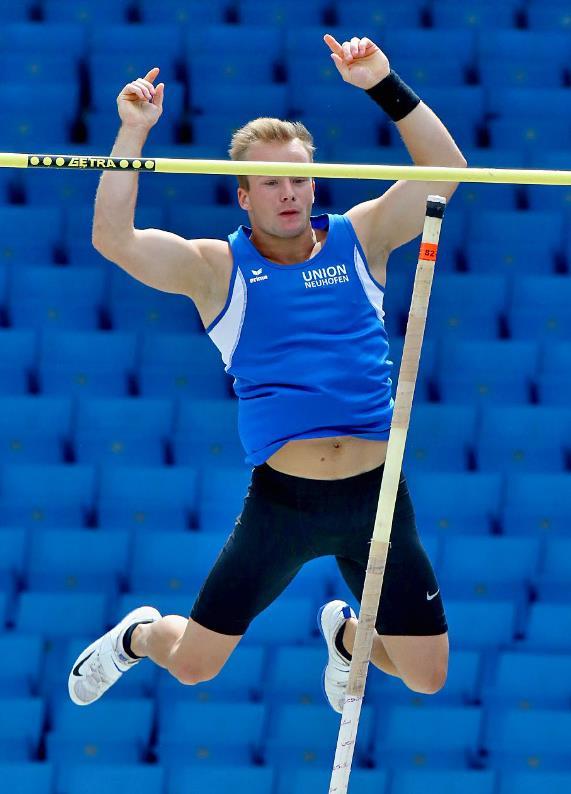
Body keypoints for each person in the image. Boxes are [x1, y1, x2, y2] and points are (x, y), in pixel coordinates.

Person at [69, 33, 467, 714]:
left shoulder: (362, 237)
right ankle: (138, 636)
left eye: (299, 178)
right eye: (272, 182)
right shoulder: (213, 269)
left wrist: (382, 83)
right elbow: (115, 240)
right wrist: (132, 131)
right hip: (284, 502)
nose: (288, 193)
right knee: (194, 665)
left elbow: (447, 170)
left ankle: (346, 636)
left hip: (374, 498)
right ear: (243, 196)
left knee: (425, 674)